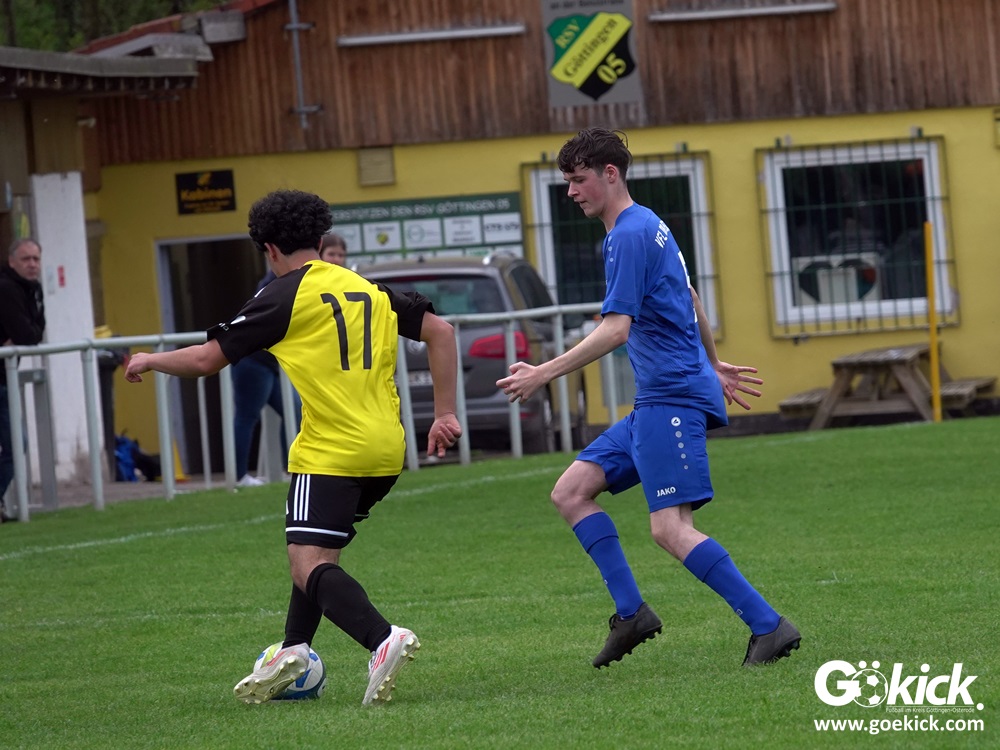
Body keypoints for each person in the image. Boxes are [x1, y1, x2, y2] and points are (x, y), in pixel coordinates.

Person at [124, 189, 462, 705]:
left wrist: (150, 359)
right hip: (386, 449)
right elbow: (441, 330)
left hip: (331, 451)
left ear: (269, 248)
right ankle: (294, 649)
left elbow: (206, 359)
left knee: (307, 564)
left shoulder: (282, 295)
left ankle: (381, 638)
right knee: (318, 554)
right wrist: (444, 412)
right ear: (320, 239)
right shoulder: (366, 287)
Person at [497, 128, 800, 668]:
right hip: (656, 401)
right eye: (567, 181)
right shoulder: (649, 224)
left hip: (671, 399)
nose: (571, 192)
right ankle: (631, 614)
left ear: (610, 174)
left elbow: (616, 330)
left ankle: (768, 625)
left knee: (669, 529)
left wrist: (543, 372)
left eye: (579, 179)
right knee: (571, 492)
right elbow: (691, 296)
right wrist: (713, 361)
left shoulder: (628, 235)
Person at [230, 269, 301, 487]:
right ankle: (239, 477)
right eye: (332, 254)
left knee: (294, 411)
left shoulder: (291, 279)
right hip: (253, 360)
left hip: (270, 364)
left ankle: (292, 469)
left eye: (340, 254)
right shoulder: (274, 284)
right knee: (247, 416)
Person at [0, 238, 46, 523]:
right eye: (26, 259)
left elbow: (35, 332)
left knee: (16, 444)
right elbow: (26, 333)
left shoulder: (33, 289)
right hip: (2, 379)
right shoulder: (6, 288)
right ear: (12, 262)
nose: (32, 264)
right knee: (16, 444)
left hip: (4, 379)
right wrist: (22, 334)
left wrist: (24, 333)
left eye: (36, 259)